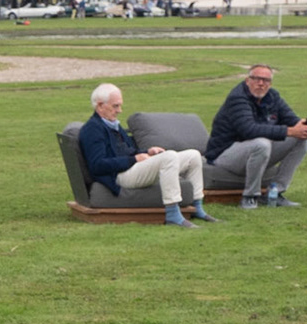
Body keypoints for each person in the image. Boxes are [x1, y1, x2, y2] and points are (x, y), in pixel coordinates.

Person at [79, 82, 216, 227]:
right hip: (120, 176)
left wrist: (147, 152)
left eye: (120, 105)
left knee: (193, 155)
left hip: (131, 168)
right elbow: (97, 165)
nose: (120, 110)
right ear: (100, 106)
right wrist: (134, 159)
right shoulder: (92, 130)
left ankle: (197, 207)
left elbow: (127, 150)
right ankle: (172, 214)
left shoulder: (112, 124)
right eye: (115, 106)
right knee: (169, 157)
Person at [204, 63, 307, 208]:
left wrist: (303, 126)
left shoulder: (273, 96)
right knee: (261, 143)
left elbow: (290, 119)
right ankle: (250, 196)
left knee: (303, 140)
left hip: (255, 152)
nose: (261, 83)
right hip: (225, 155)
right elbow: (249, 130)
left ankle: (275, 193)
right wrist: (289, 131)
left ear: (270, 83)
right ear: (247, 80)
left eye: (266, 80)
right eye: (256, 79)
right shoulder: (237, 98)